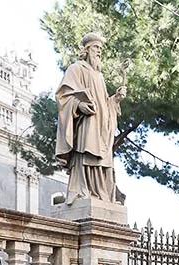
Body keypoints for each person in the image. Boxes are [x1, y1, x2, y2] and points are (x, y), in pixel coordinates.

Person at [54, 32, 126, 204]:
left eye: (101, 48)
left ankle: (101, 194)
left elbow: (104, 103)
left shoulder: (100, 76)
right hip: (87, 122)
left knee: (101, 159)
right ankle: (82, 191)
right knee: (85, 154)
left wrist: (115, 99)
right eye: (96, 47)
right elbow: (63, 96)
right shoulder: (76, 69)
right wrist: (78, 106)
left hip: (101, 126)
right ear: (86, 50)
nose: (99, 51)